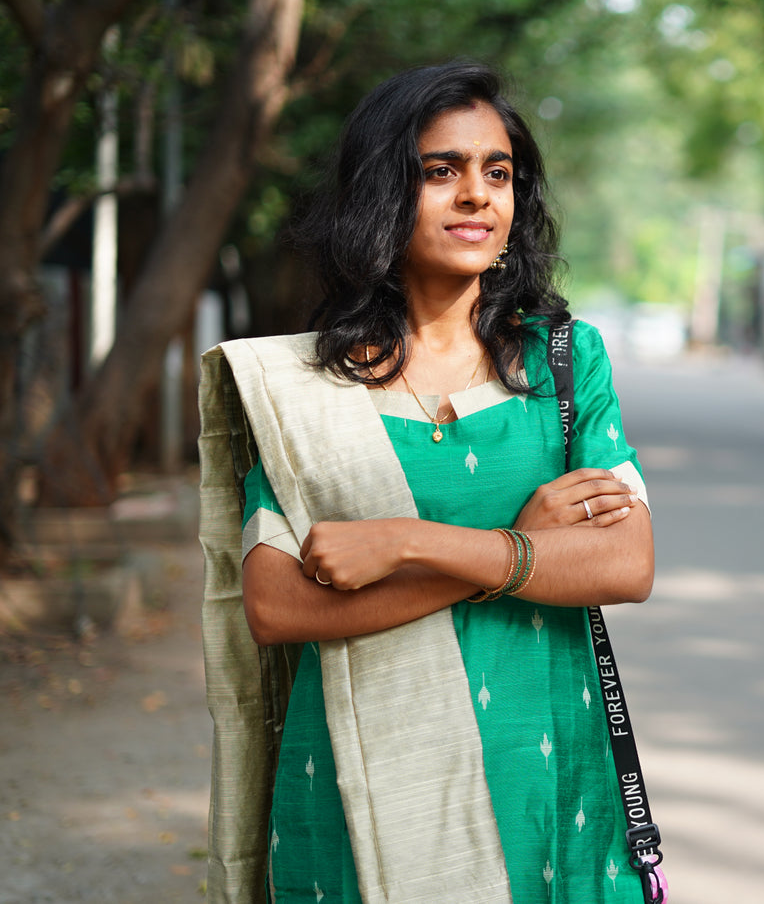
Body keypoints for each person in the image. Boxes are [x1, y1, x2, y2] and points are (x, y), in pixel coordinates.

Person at [197, 62, 656, 904]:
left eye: (498, 172)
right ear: (382, 193)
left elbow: (625, 563)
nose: (476, 195)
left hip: (539, 772)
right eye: (440, 171)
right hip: (360, 778)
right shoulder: (307, 387)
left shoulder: (561, 359)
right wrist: (522, 549)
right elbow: (276, 606)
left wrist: (408, 544)